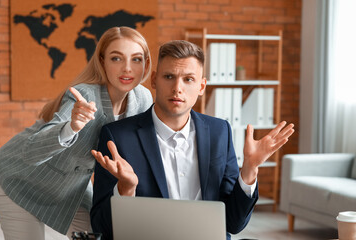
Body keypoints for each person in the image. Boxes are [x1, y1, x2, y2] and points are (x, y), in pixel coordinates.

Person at [91, 40, 295, 240]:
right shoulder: (116, 137)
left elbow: (233, 223)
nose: (177, 88)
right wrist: (125, 191)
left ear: (201, 86)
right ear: (154, 80)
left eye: (188, 79)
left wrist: (249, 169)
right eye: (169, 76)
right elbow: (101, 227)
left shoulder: (220, 132)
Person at [0, 26, 153, 240]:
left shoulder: (143, 99)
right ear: (102, 61)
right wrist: (72, 127)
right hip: (20, 179)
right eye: (116, 59)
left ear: (145, 64)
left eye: (136, 59)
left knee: (100, 232)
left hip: (71, 186)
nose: (128, 68)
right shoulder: (85, 95)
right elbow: (31, 153)